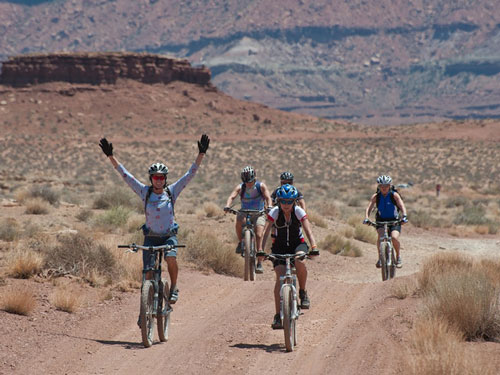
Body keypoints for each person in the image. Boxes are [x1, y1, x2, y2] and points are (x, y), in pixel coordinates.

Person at [99, 134, 210, 304]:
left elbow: (190, 174)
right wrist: (110, 156)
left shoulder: (171, 191)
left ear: (165, 179)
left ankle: (173, 287)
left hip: (168, 235)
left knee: (170, 258)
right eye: (156, 177)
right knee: (148, 273)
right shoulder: (145, 192)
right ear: (151, 179)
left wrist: (201, 154)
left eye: (162, 177)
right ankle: (146, 309)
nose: (159, 180)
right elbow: (126, 176)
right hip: (151, 237)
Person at [257, 184, 319, 329]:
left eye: (289, 201)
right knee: (280, 277)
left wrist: (314, 246)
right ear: (278, 201)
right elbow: (265, 232)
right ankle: (278, 315)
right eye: (283, 201)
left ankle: (303, 292)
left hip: (298, 244)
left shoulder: (298, 211)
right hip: (279, 246)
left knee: (300, 261)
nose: (286, 204)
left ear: (294, 201)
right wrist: (260, 250)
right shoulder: (274, 212)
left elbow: (308, 231)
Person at [224, 166, 272, 274]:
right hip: (245, 211)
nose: (248, 183)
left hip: (259, 213)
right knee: (239, 220)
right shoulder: (241, 187)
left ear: (254, 178)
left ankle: (259, 261)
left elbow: (268, 197)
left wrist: (269, 206)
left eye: (250, 181)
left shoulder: (261, 186)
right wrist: (227, 206)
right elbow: (232, 196)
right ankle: (241, 242)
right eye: (246, 181)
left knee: (259, 234)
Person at [363, 175, 408, 268]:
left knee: (394, 238)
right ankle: (380, 258)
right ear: (379, 186)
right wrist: (367, 218)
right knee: (381, 237)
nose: (384, 188)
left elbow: (401, 206)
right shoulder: (376, 196)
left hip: (394, 220)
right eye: (381, 186)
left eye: (386, 186)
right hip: (381, 220)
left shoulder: (394, 195)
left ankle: (398, 256)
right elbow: (369, 207)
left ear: (390, 186)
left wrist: (404, 216)